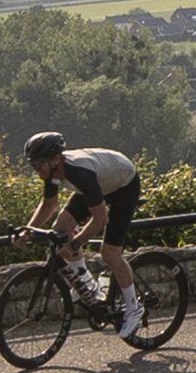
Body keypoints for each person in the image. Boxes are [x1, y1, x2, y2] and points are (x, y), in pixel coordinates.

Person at [11, 131, 144, 338]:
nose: (36, 170)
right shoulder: (52, 171)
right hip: (101, 183)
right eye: (33, 165)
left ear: (55, 159)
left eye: (39, 164)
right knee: (60, 229)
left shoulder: (79, 174)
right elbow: (49, 204)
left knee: (110, 254)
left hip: (123, 186)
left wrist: (74, 244)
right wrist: (27, 230)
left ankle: (134, 308)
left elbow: (101, 219)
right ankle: (87, 283)